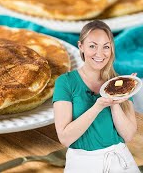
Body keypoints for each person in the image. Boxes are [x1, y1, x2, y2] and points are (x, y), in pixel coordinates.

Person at [53, 20, 140, 173]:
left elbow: (128, 135)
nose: (99, 54)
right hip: (82, 164)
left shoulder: (118, 83)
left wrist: (114, 102)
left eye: (106, 47)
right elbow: (65, 138)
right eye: (92, 46)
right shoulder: (66, 82)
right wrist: (98, 106)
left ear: (111, 49)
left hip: (120, 161)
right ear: (81, 47)